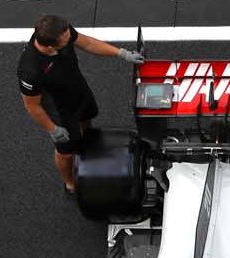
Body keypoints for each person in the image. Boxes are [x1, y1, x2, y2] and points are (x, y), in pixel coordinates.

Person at [19, 14, 145, 194]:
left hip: (78, 91)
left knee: (86, 124)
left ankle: (86, 148)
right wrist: (53, 129)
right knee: (66, 152)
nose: (70, 39)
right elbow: (32, 106)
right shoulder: (30, 70)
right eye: (66, 40)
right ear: (50, 46)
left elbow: (87, 43)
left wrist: (122, 54)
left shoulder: (62, 32)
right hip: (60, 111)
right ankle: (70, 183)